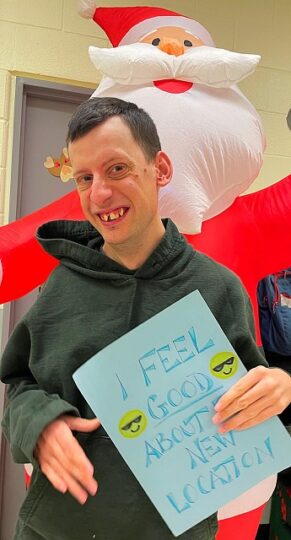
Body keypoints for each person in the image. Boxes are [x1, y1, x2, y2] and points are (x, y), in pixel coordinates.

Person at [1, 97, 291, 540]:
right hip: (55, 528)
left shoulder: (219, 289)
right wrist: (39, 424)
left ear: (161, 170)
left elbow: (252, 395)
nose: (99, 194)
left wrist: (279, 386)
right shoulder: (59, 287)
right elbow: (20, 386)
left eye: (117, 169)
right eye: (84, 178)